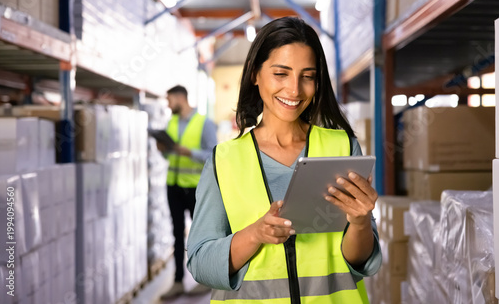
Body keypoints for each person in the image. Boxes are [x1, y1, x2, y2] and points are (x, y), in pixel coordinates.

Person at [186, 17, 382, 303]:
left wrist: (361, 221)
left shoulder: (342, 147)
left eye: (308, 76)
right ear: (255, 74)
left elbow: (361, 262)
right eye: (281, 73)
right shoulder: (223, 161)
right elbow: (201, 262)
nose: (294, 90)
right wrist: (254, 234)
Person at [159, 85, 217, 299]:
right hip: (173, 185)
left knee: (201, 235)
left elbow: (213, 153)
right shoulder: (172, 122)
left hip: (195, 187)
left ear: (179, 98)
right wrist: (163, 151)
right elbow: (169, 156)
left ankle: (206, 280)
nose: (168, 104)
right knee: (176, 234)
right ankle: (177, 282)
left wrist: (188, 152)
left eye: (169, 100)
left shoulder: (204, 122)